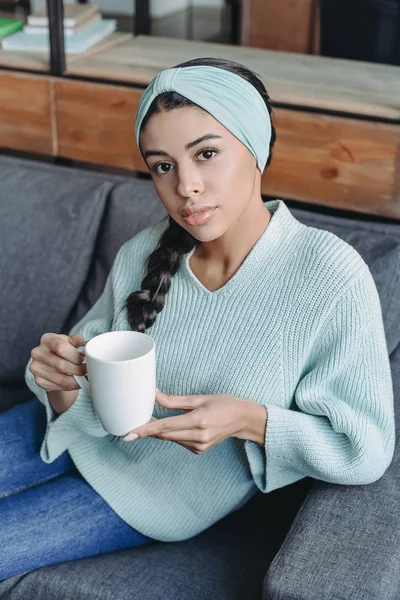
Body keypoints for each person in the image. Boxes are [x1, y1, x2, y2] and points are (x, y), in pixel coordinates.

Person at [0, 57, 395, 582]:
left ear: (255, 146)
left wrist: (249, 419)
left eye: (206, 154)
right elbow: (80, 386)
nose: (186, 186)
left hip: (154, 497)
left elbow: (364, 448)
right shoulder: (143, 252)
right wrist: (56, 379)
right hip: (64, 432)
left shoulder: (329, 275)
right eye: (162, 165)